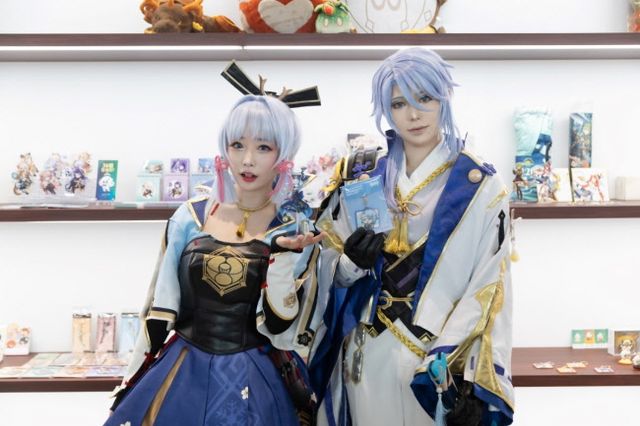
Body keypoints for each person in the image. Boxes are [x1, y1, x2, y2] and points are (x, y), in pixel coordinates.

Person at [309, 47, 514, 425]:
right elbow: (322, 267)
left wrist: (471, 373)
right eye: (399, 103)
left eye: (424, 98)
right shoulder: (360, 173)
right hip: (365, 352)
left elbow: (490, 287)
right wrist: (350, 265)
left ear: (444, 96)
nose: (414, 114)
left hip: (437, 360)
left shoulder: (479, 184)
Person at [106, 94, 324, 426]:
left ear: (284, 156)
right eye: (237, 145)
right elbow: (159, 308)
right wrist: (131, 380)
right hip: (182, 369)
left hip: (257, 378)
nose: (247, 160)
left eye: (263, 147)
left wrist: (281, 255)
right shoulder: (190, 216)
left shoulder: (297, 228)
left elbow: (282, 326)